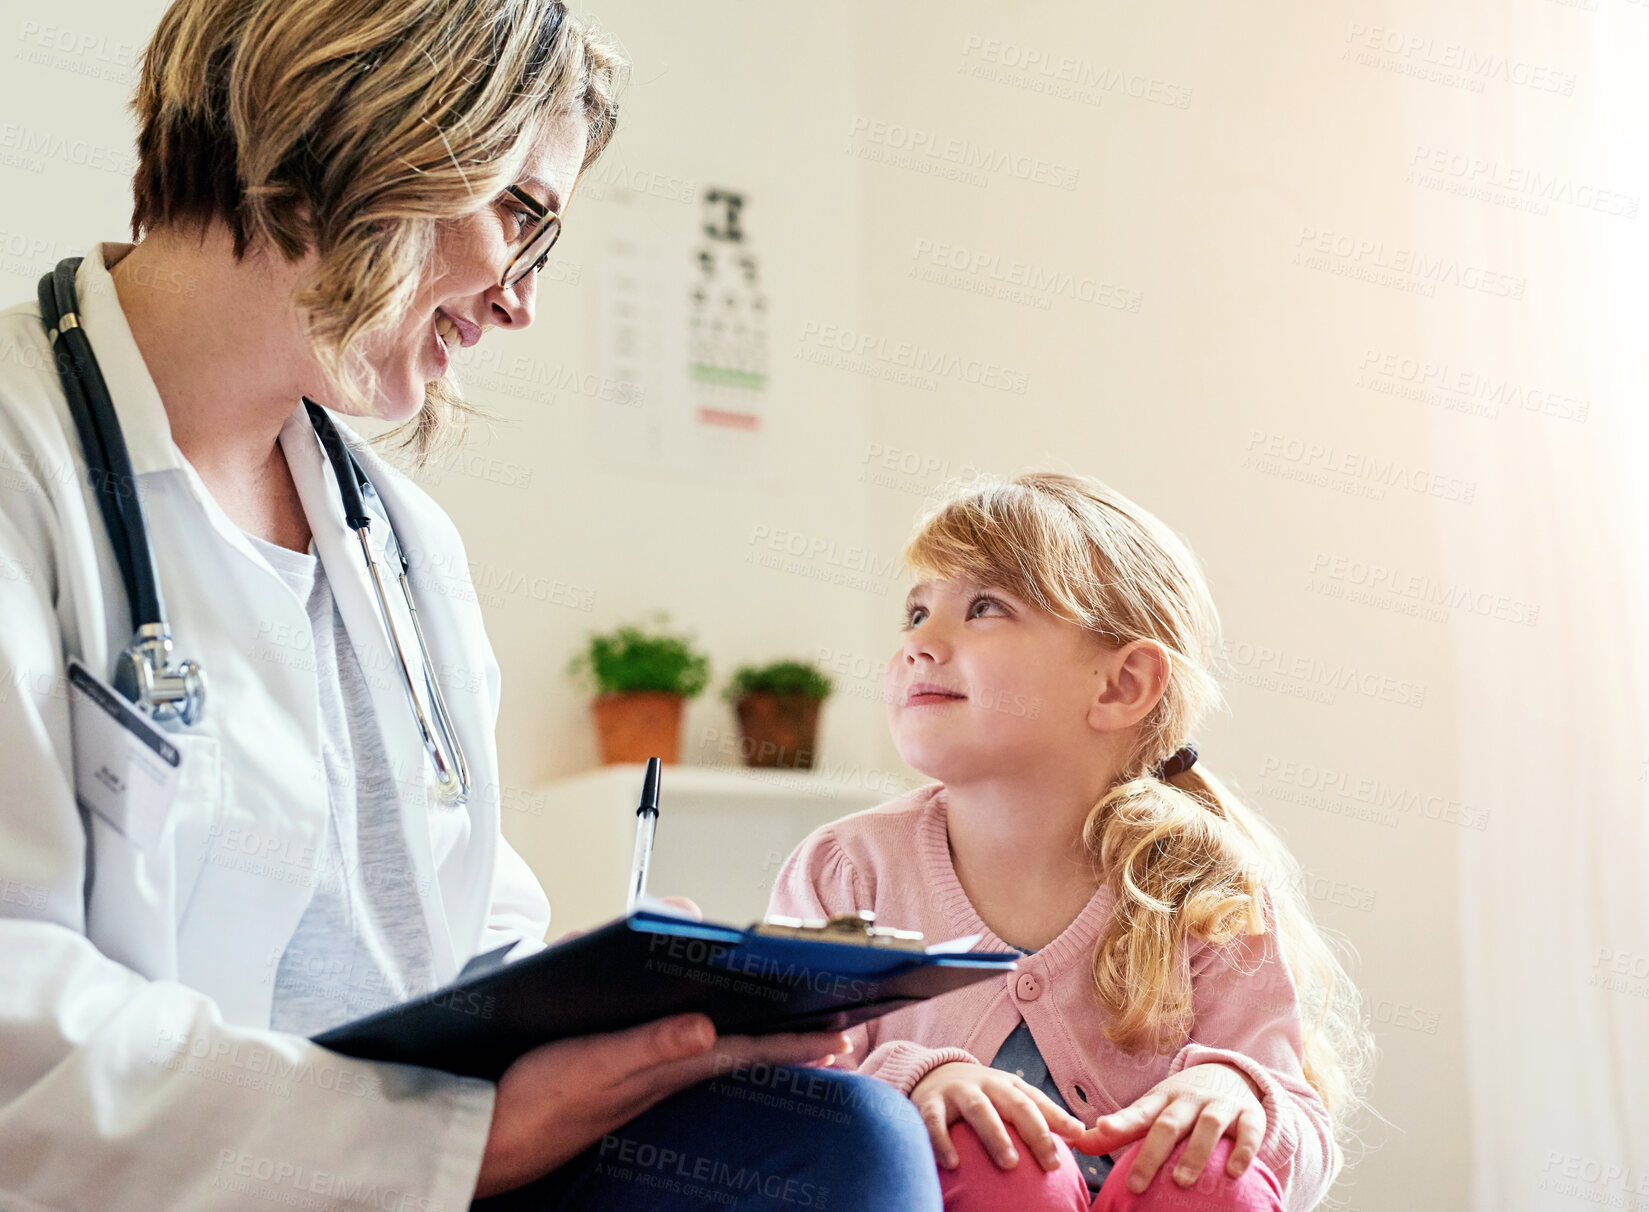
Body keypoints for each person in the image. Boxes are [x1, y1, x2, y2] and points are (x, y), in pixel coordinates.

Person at [0, 1, 938, 1207]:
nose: (520, 304)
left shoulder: (401, 549)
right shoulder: (26, 463)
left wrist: (618, 1007)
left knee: (829, 1143)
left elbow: (460, 944)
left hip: (438, 1164)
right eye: (523, 215)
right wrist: (452, 1146)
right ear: (370, 117)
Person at [769, 472, 1376, 1210]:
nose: (919, 644)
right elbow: (786, 1099)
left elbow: (1300, 1145)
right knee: (978, 1152)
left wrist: (1234, 1089)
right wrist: (917, 1082)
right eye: (916, 612)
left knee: (1208, 1170)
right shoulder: (846, 870)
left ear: (1121, 686)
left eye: (984, 607)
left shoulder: (1200, 886)